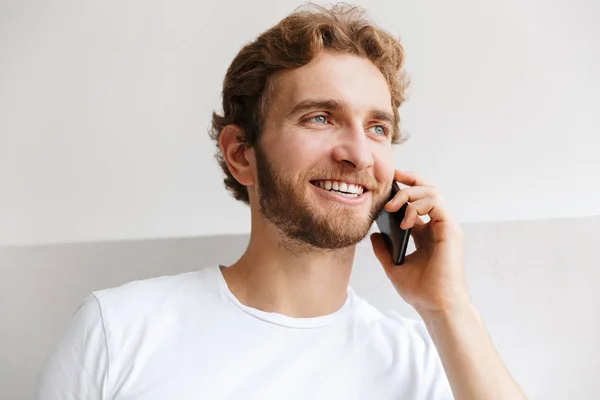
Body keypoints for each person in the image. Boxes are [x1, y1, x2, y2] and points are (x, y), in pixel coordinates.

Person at [35, 4, 526, 399]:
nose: (359, 154)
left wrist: (447, 306)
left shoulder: (430, 359)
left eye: (378, 128)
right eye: (319, 117)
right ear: (241, 155)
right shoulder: (117, 331)